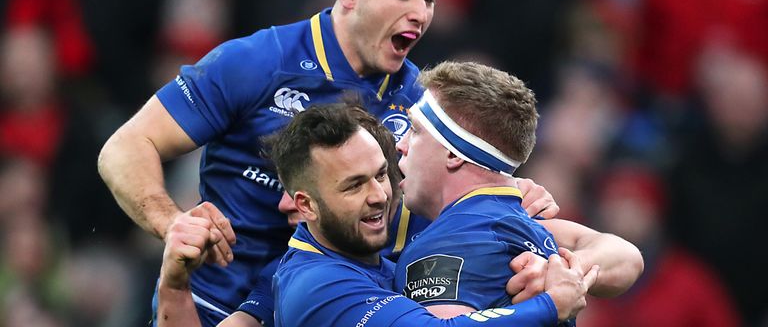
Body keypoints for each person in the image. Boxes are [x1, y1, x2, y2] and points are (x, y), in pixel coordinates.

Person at [97, 0, 446, 325]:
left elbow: (449, 203)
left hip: (330, 311)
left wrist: (517, 197)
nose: (419, 13)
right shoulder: (258, 62)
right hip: (214, 308)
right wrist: (171, 221)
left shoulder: (421, 102)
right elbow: (125, 147)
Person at [156, 103, 599, 326]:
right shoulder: (318, 285)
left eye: (380, 175)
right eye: (353, 185)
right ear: (304, 204)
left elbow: (622, 254)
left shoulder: (374, 259)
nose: (379, 196)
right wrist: (549, 303)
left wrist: (552, 267)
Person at [393, 62, 644, 322]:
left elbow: (629, 257)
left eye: (415, 131)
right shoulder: (523, 224)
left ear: (453, 153)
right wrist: (560, 271)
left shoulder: (448, 242)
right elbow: (628, 256)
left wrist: (560, 277)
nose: (401, 145)